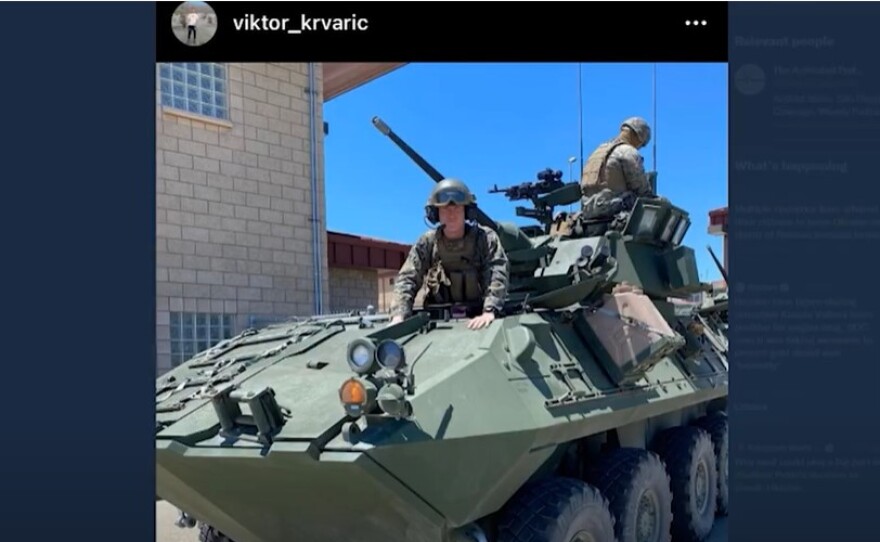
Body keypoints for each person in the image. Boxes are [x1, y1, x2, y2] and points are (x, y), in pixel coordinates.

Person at [389, 179, 510, 330]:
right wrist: (399, 315)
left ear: (467, 211)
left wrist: (489, 311)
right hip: (437, 322)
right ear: (435, 213)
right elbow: (408, 278)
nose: (451, 214)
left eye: (457, 208)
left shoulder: (485, 238)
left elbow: (496, 272)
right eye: (445, 209)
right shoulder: (427, 242)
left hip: (478, 318)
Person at [580, 116, 654, 220]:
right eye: (643, 144)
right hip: (613, 209)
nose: (640, 147)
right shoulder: (628, 151)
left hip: (588, 210)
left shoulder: (597, 152)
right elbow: (641, 188)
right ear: (639, 136)